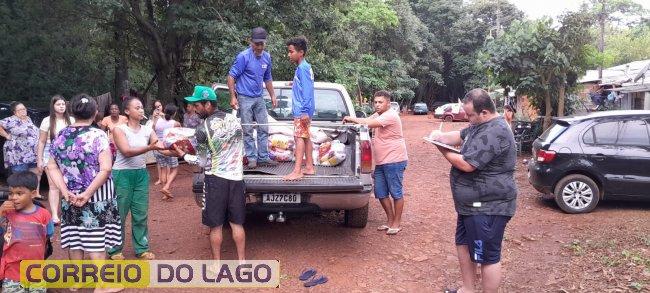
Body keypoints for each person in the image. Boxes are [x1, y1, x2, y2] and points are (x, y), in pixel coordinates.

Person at [429, 89, 517, 293]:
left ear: (484, 112)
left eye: (470, 115)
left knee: (486, 255)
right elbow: (460, 135)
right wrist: (440, 136)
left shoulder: (495, 131)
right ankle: (467, 289)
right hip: (470, 206)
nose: (467, 119)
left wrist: (440, 147)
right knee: (464, 245)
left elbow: (467, 165)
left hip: (488, 206)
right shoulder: (479, 125)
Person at [47, 94, 123, 291]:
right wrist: (88, 194)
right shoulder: (98, 135)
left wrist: (65, 192)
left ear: (72, 111)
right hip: (97, 196)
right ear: (95, 112)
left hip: (70, 196)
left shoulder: (61, 135)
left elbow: (51, 167)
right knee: (97, 239)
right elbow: (105, 168)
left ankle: (77, 281)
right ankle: (102, 285)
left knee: (76, 238)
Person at [178, 85, 247, 261]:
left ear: (208, 104)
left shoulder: (203, 130)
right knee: (236, 223)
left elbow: (202, 162)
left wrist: (184, 155)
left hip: (216, 180)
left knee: (216, 226)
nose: (194, 109)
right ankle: (242, 262)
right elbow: (242, 151)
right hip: (237, 179)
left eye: (197, 105)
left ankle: (216, 265)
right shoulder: (234, 121)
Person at [108, 97, 173, 260]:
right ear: (127, 111)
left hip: (141, 174)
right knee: (119, 213)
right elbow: (126, 151)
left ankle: (142, 248)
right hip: (122, 174)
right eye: (137, 107)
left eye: (142, 107)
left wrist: (179, 151)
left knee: (140, 213)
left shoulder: (147, 130)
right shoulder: (119, 130)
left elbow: (161, 149)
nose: (141, 110)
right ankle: (114, 250)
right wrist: (150, 147)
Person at [343, 90, 408, 235]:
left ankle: (396, 223)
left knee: (396, 192)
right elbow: (365, 120)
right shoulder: (379, 114)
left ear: (388, 103)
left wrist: (351, 118)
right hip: (382, 161)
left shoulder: (390, 116)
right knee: (380, 192)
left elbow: (367, 123)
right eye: (376, 102)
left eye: (381, 102)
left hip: (394, 160)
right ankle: (390, 220)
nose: (377, 105)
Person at [227, 27, 278, 169]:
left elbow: (267, 78)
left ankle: (263, 157)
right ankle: (251, 158)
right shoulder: (243, 57)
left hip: (259, 97)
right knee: (248, 129)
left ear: (265, 43)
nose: (260, 47)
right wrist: (233, 96)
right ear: (251, 42)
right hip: (244, 97)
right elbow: (231, 76)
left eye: (262, 44)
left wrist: (273, 95)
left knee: (264, 127)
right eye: (257, 44)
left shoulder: (266, 57)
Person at [0, 171, 53, 293]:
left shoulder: (44, 214)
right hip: (12, 271)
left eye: (19, 193)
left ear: (33, 194)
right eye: (11, 193)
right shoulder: (7, 213)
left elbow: (48, 234)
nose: (14, 197)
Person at [37, 95, 74, 225]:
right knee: (54, 186)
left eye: (63, 104)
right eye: (58, 104)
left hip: (69, 156)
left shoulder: (72, 120)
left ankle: (68, 213)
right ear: (53, 106)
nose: (61, 106)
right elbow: (41, 142)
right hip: (50, 154)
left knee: (68, 184)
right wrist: (39, 159)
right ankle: (54, 215)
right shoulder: (47, 121)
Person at [283, 36, 316, 180]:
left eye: (291, 52)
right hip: (304, 109)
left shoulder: (303, 68)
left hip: (302, 110)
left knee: (299, 137)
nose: (289, 54)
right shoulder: (303, 68)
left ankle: (297, 171)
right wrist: (294, 84)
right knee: (306, 137)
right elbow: (303, 86)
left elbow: (308, 91)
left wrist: (303, 111)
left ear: (300, 52)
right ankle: (309, 167)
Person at [0, 102, 39, 174]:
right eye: (20, 109)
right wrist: (6, 135)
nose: (23, 110)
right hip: (19, 157)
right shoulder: (10, 120)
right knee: (19, 180)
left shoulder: (28, 119)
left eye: (24, 109)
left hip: (32, 156)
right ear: (14, 112)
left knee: (31, 179)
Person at [154, 104, 181, 200]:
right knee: (174, 168)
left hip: (157, 148)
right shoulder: (175, 123)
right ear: (174, 113)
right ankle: (166, 187)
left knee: (163, 169)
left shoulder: (157, 121)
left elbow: (153, 131)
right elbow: (180, 136)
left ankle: (164, 192)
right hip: (169, 148)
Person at [149, 100, 165, 185]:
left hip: (166, 140)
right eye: (156, 107)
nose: (158, 108)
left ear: (162, 106)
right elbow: (152, 130)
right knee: (158, 161)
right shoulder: (153, 117)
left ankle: (166, 178)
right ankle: (160, 178)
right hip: (156, 140)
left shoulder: (166, 116)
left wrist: (163, 117)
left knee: (167, 159)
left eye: (159, 105)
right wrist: (154, 118)